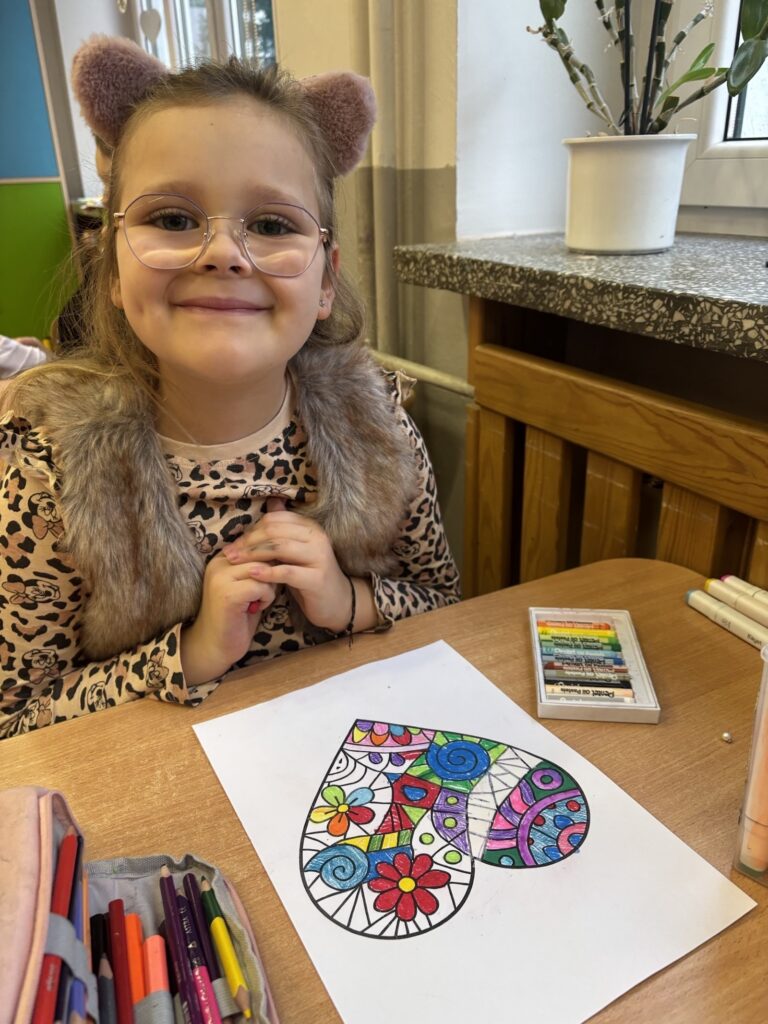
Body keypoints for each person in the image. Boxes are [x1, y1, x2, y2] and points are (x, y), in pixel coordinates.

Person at [0, 50, 460, 738]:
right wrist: (193, 652)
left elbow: (445, 605)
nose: (223, 253)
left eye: (271, 225)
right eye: (172, 219)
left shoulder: (378, 427)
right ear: (114, 270)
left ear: (325, 281)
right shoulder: (48, 471)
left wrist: (347, 601)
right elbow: (17, 719)